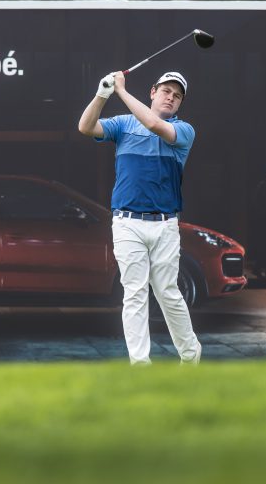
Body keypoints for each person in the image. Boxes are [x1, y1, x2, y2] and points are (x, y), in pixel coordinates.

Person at [77, 70, 202, 365]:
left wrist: (120, 89)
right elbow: (85, 126)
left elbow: (153, 123)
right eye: (166, 91)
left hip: (165, 224)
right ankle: (140, 365)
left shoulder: (184, 130)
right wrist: (102, 94)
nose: (171, 98)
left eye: (177, 95)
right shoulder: (123, 124)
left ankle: (190, 356)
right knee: (134, 294)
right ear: (152, 92)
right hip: (127, 222)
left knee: (168, 293)